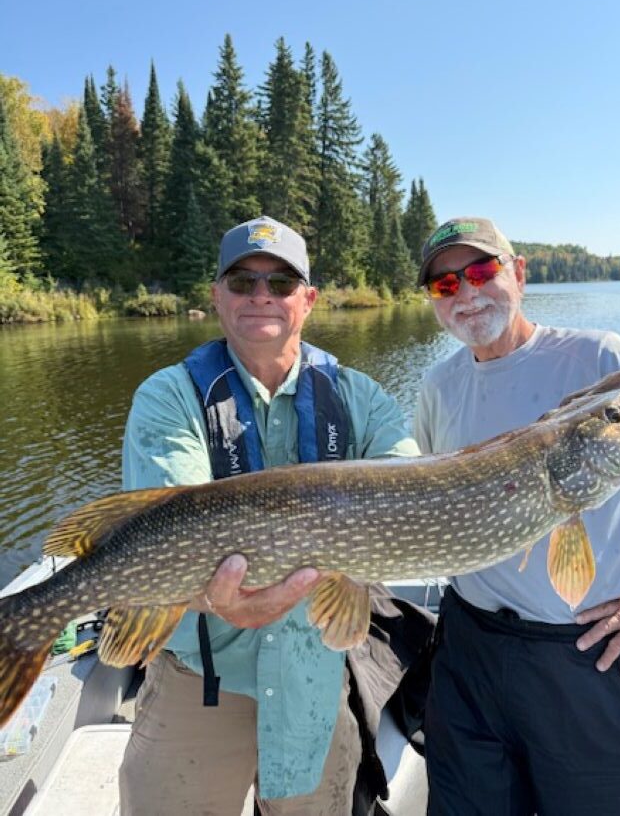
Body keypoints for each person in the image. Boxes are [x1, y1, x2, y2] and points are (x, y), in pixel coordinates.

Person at [118, 215, 421, 816]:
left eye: (281, 283)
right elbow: (169, 525)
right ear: (216, 296)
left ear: (307, 300)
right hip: (200, 684)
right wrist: (217, 595)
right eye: (242, 280)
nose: (262, 295)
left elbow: (407, 484)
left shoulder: (362, 398)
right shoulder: (169, 396)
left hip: (315, 679)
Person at [413, 217, 620, 816]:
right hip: (470, 660)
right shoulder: (438, 387)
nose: (468, 293)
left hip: (594, 658)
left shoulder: (604, 361)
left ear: (519, 273)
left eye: (481, 271)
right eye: (445, 285)